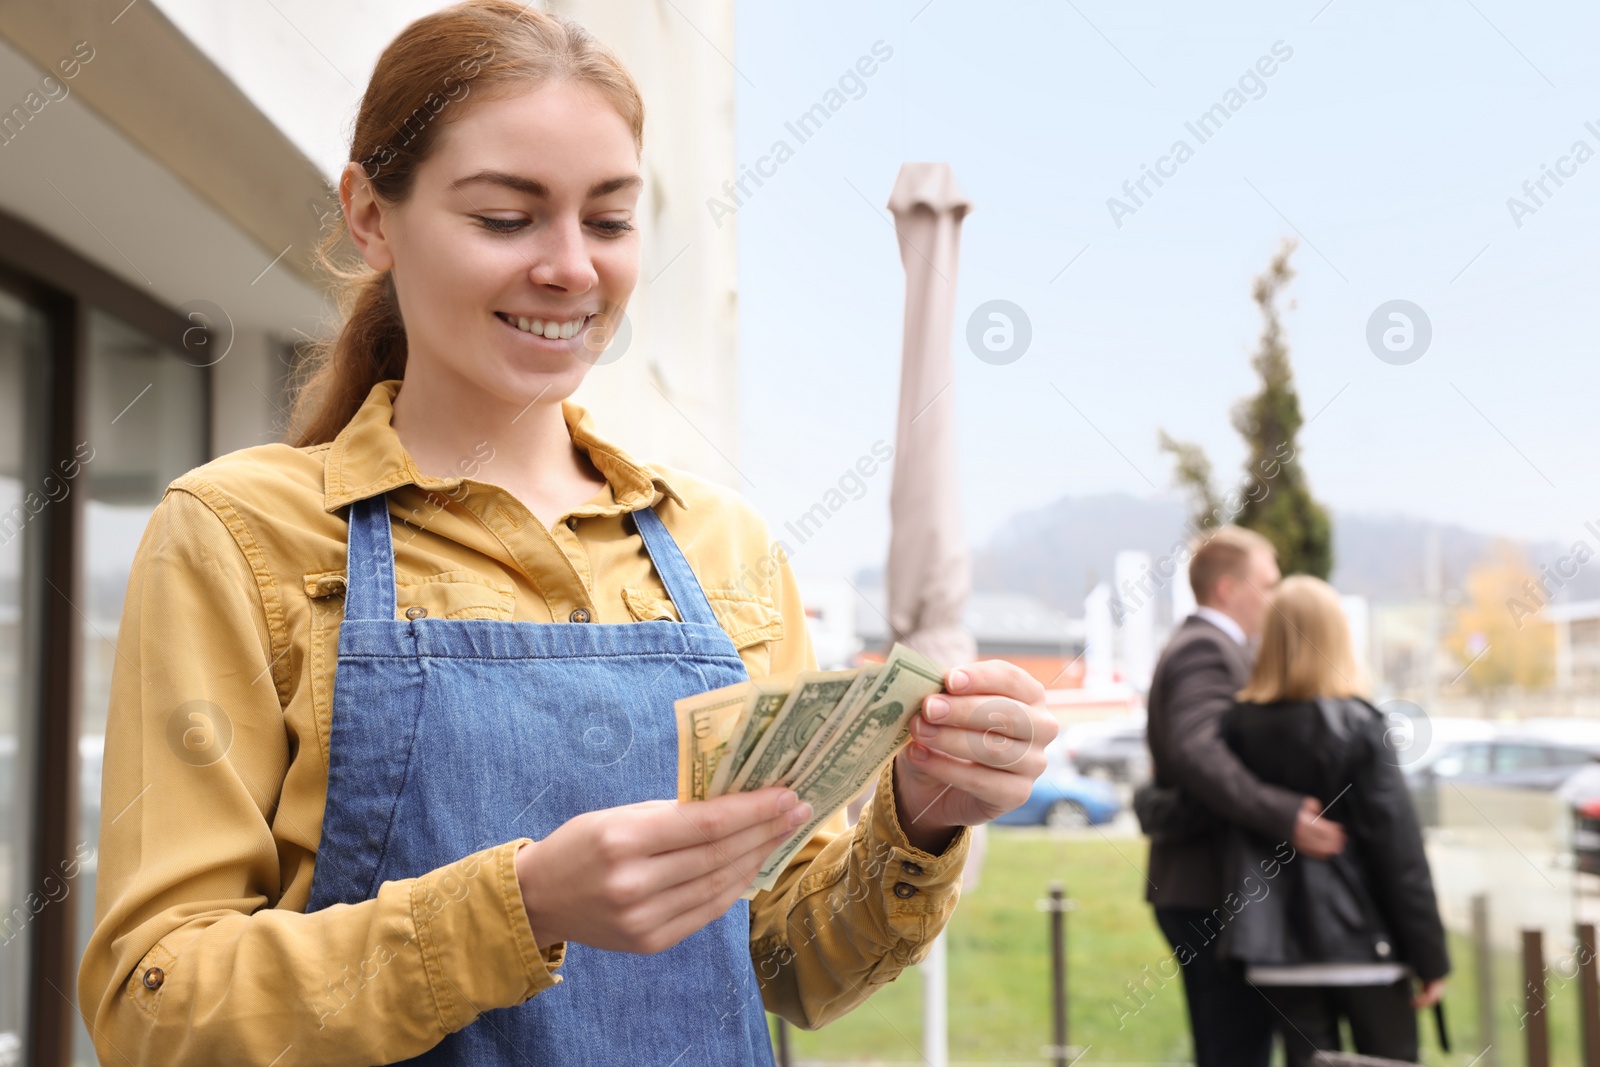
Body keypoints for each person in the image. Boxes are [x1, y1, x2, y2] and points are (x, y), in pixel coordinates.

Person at [74, 5, 1059, 1064]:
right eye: (506, 216)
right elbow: (152, 1004)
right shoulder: (238, 536)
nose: (570, 268)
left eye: (608, 218)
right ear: (370, 213)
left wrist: (920, 814)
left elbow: (787, 960)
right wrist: (520, 906)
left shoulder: (725, 550)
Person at [1140, 526, 1348, 1067]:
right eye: (1268, 584)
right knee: (1234, 1049)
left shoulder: (1210, 646)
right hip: (1205, 890)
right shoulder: (1206, 648)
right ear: (1229, 589)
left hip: (1205, 887)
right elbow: (1197, 752)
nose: (1276, 598)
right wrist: (1284, 816)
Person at [1220, 575, 1449, 1067]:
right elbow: (1398, 850)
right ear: (1335, 637)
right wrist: (1431, 957)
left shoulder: (1236, 727)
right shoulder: (1361, 726)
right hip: (1366, 947)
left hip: (1277, 951)